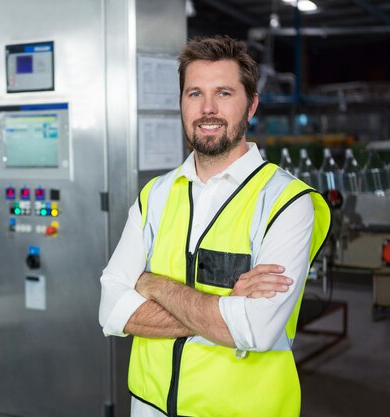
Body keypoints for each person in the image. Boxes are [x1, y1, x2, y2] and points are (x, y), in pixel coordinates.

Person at [98, 35, 331, 417]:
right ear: (181, 103)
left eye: (223, 93)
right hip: (149, 407)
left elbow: (254, 330)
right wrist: (225, 310)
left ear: (251, 104)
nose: (208, 109)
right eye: (194, 94)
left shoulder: (287, 202)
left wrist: (151, 284)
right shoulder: (155, 195)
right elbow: (110, 309)